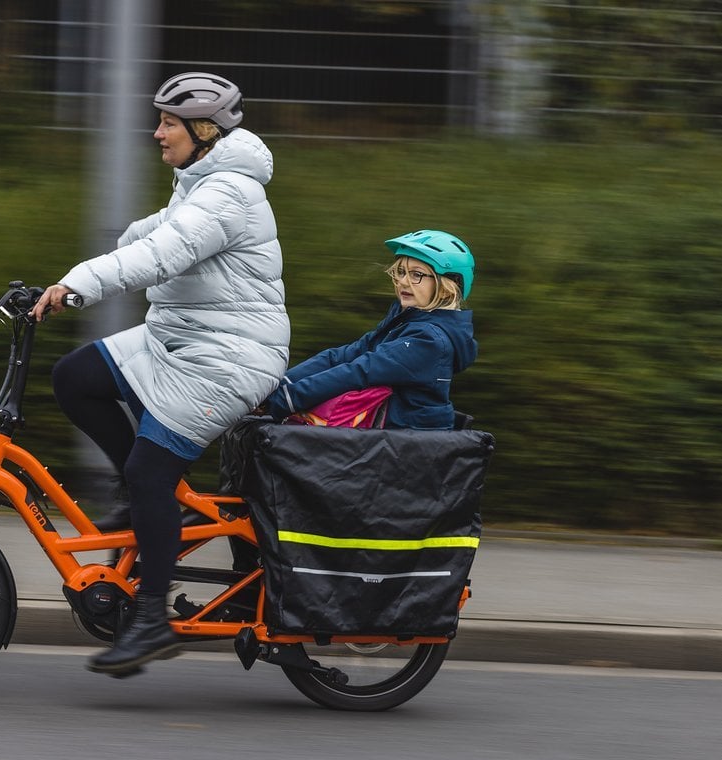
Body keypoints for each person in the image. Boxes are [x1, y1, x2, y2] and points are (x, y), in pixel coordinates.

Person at [30, 71, 290, 677]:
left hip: (228, 360)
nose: (156, 133)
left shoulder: (228, 193)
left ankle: (150, 620)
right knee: (76, 378)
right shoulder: (201, 182)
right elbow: (151, 237)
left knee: (152, 466)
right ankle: (163, 506)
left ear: (204, 130)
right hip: (178, 340)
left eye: (168, 123)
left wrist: (77, 285)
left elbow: (162, 256)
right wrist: (76, 271)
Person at [263, 230, 477, 429]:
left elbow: (358, 371)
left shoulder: (428, 341)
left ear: (449, 284)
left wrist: (284, 400)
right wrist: (276, 386)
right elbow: (339, 357)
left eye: (416, 275)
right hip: (386, 441)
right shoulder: (404, 322)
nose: (403, 281)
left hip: (408, 449)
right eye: (400, 272)